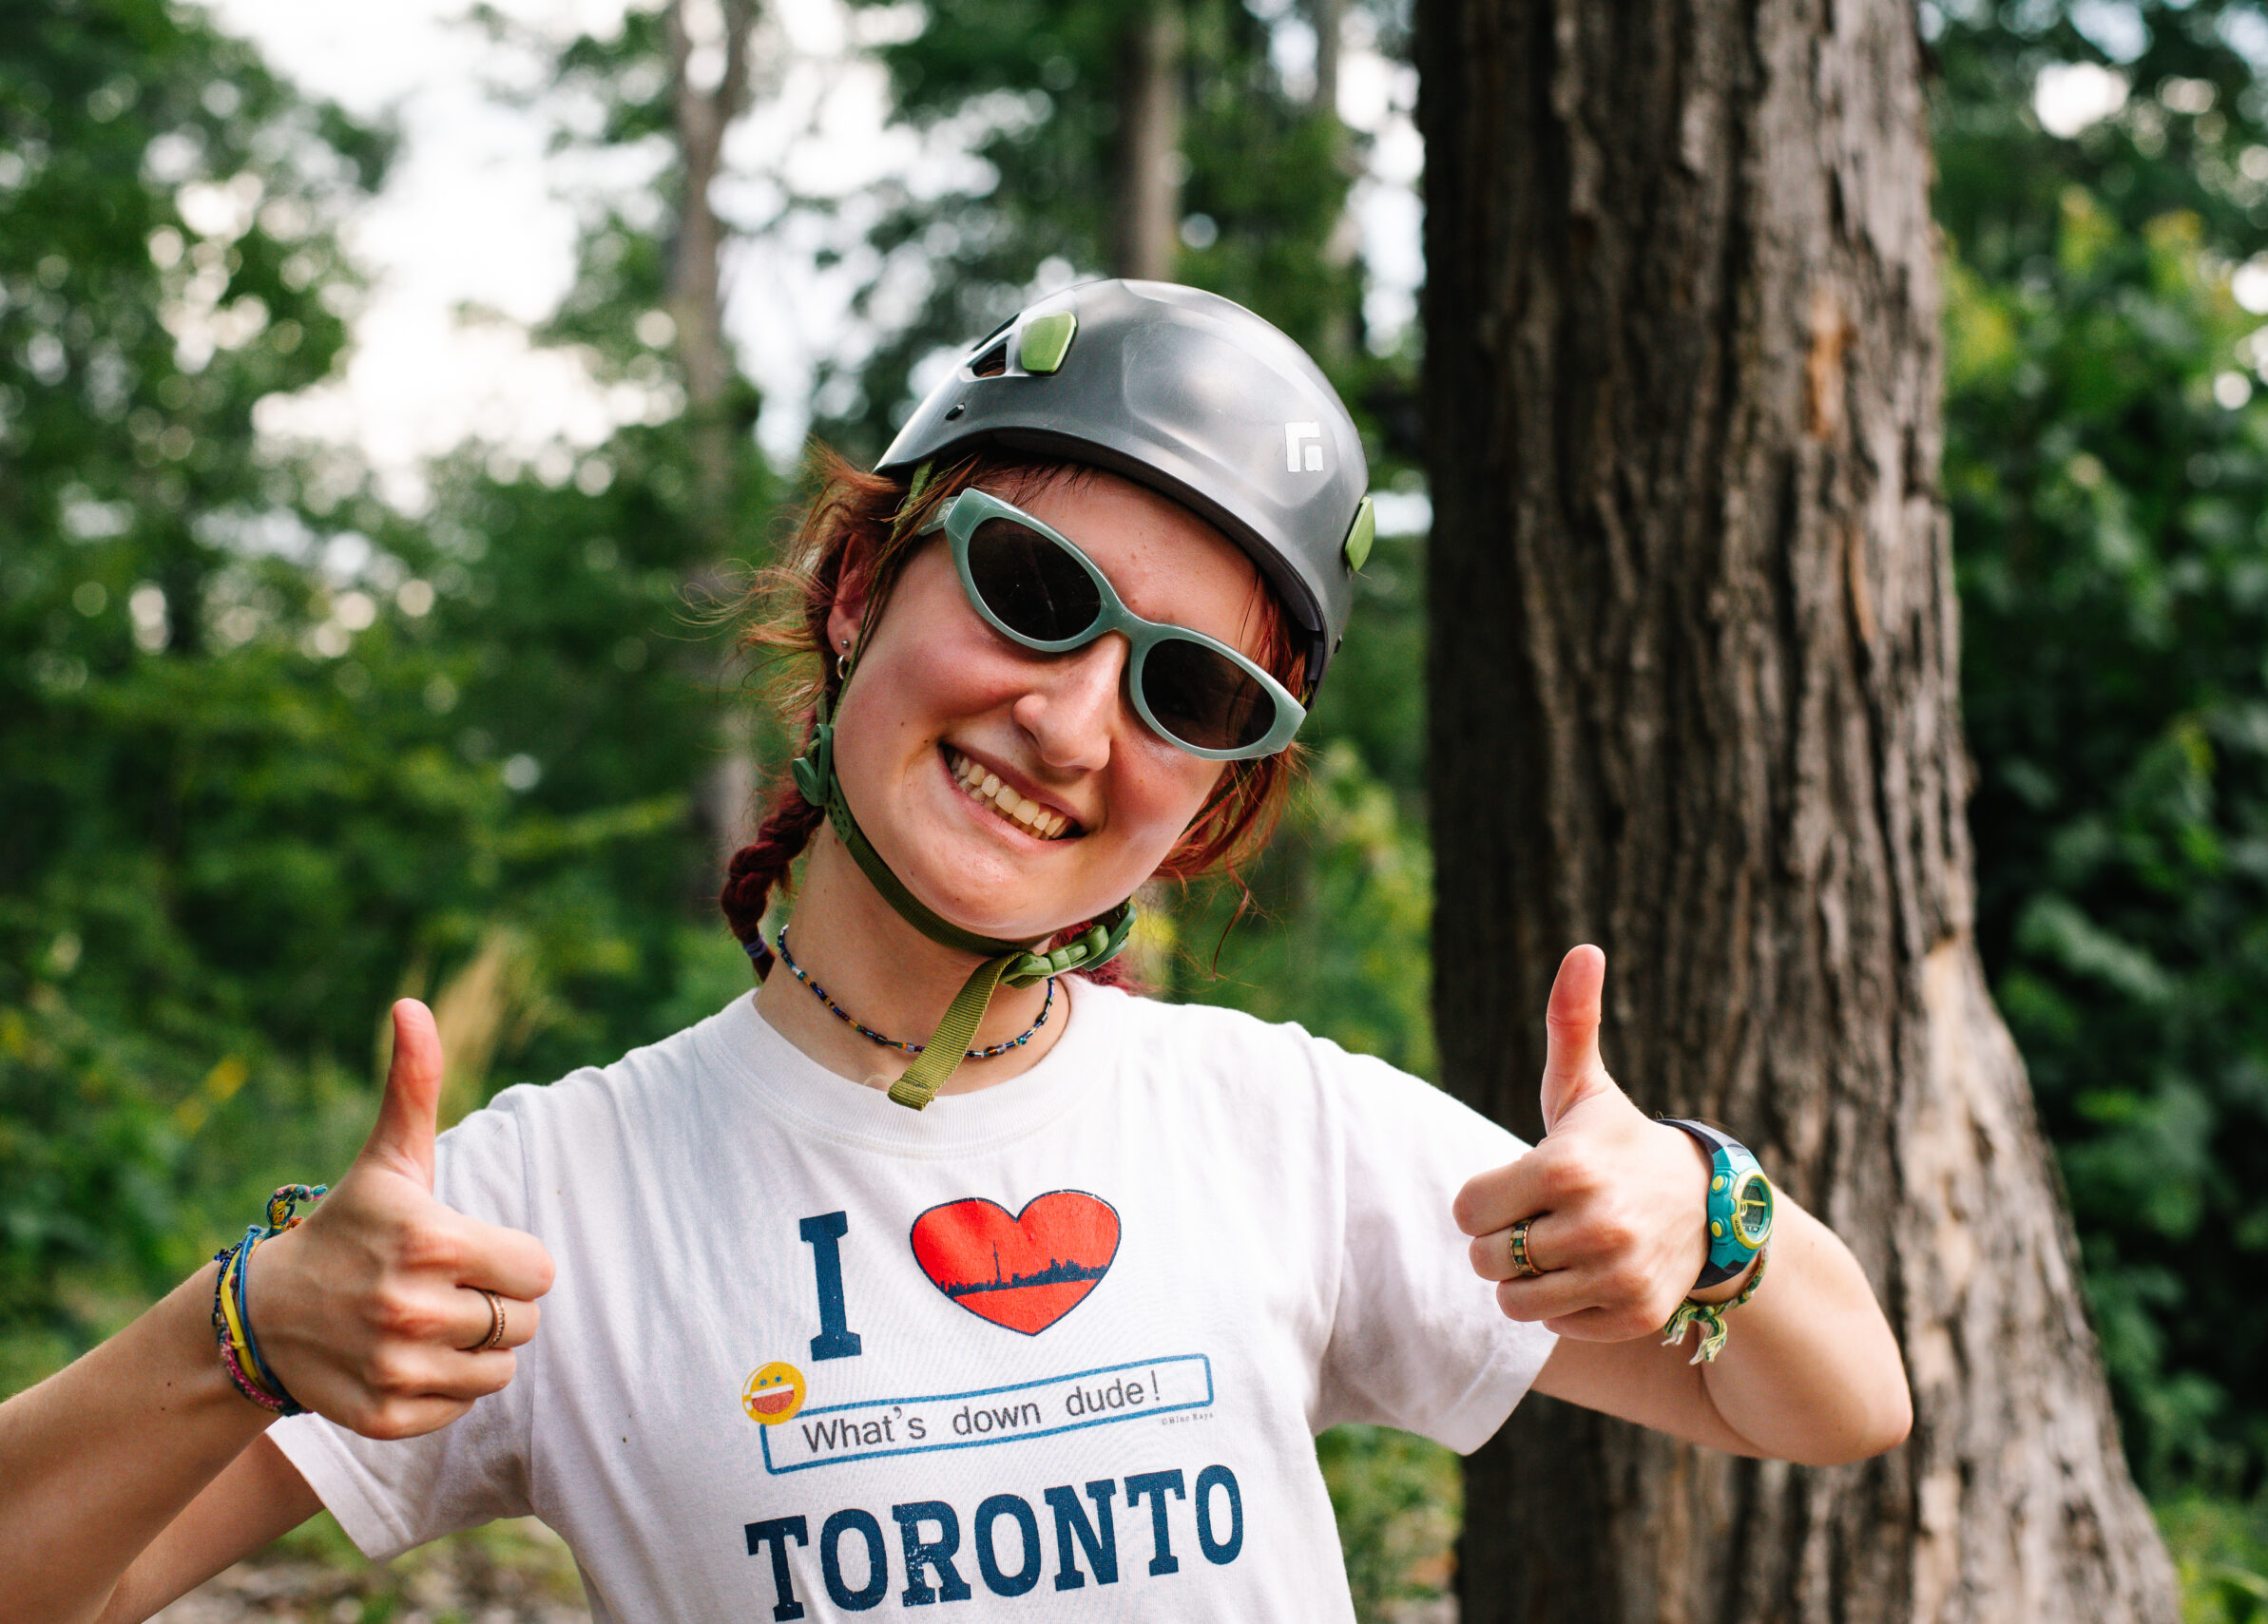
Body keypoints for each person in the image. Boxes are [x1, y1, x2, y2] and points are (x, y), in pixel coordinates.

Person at [0, 281, 1909, 1624]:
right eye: (1029, 588)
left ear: (1213, 800)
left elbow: (1833, 1402)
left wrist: (1705, 1207)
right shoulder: (553, 1206)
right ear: (859, 585)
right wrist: (237, 1334)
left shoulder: (1277, 1131)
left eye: (1186, 691)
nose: (1071, 725)